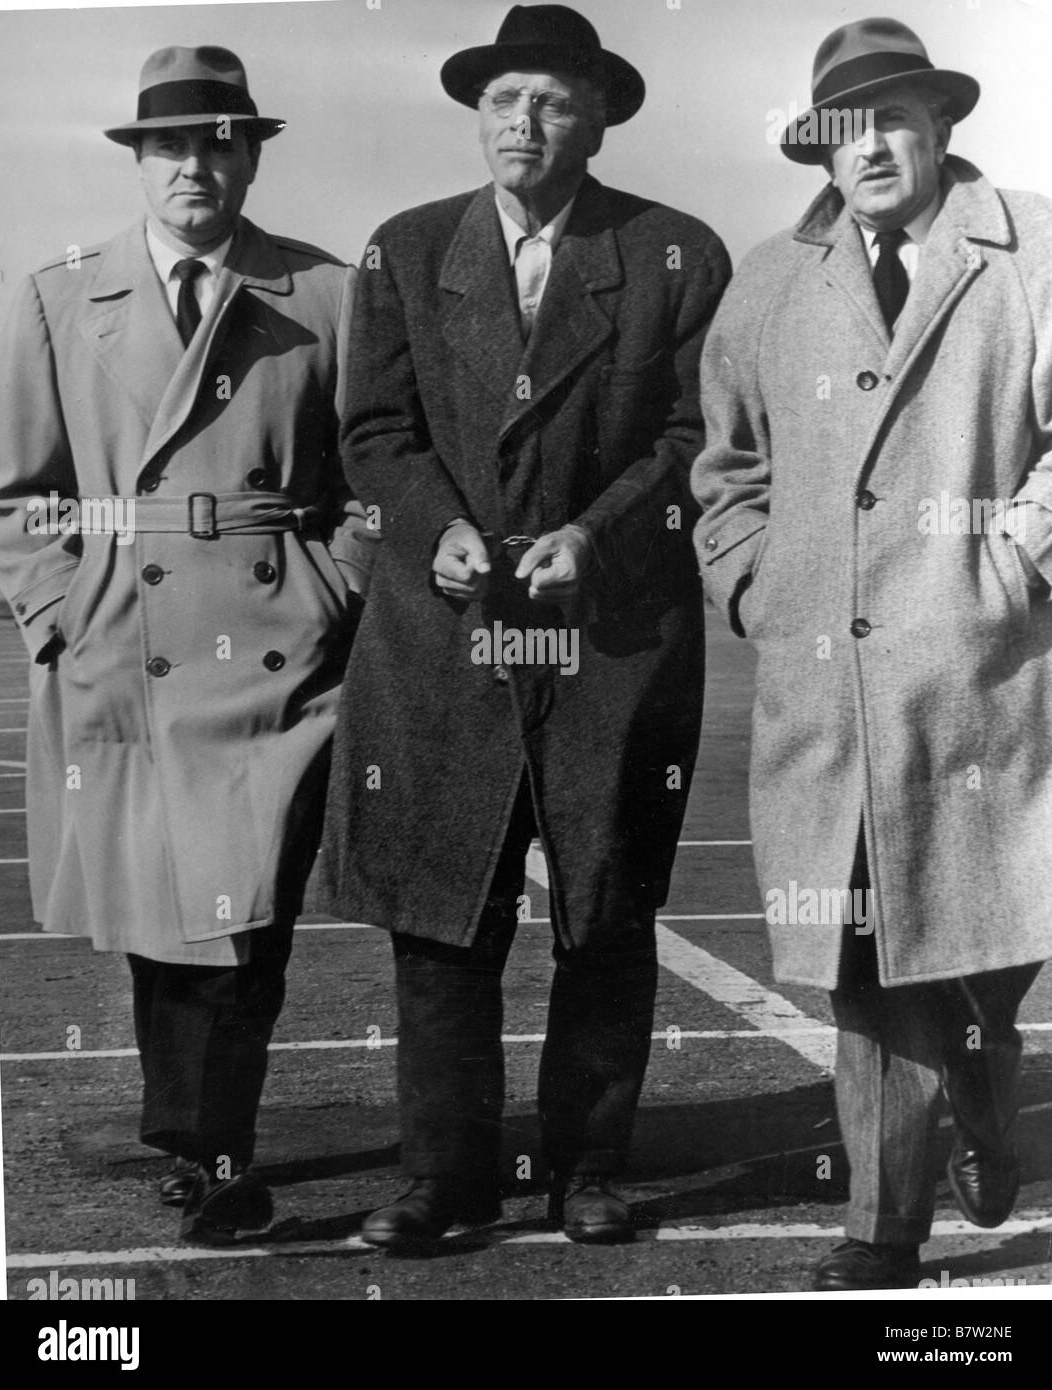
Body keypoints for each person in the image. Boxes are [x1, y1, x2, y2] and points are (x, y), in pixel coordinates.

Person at [321, 4, 730, 1249]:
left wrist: (595, 535)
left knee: (605, 906)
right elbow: (374, 433)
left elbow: (693, 435)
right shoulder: (402, 251)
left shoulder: (674, 252)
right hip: (443, 630)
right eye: (504, 99)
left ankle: (587, 1166)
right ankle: (441, 1178)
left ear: (598, 115)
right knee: (444, 911)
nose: (525, 121)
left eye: (553, 100)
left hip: (606, 632)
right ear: (477, 113)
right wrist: (430, 524)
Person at [691, 17, 1052, 1290]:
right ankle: (883, 1228)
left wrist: (1014, 560)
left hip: (984, 681)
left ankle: (983, 1097)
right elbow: (724, 469)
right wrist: (752, 587)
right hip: (827, 687)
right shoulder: (769, 279)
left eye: (894, 117)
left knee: (978, 963)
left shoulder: (1036, 247)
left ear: (941, 126)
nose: (871, 149)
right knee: (864, 961)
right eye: (845, 129)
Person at [0, 45, 374, 1244]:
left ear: (252, 155)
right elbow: (18, 494)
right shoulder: (59, 294)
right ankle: (191, 1130)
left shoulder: (326, 292)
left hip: (277, 641)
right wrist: (58, 612)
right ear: (140, 163)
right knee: (160, 914)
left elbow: (375, 480)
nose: (195, 166)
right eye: (171, 146)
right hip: (121, 632)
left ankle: (219, 1153)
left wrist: (334, 587)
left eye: (220, 142)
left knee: (241, 907)